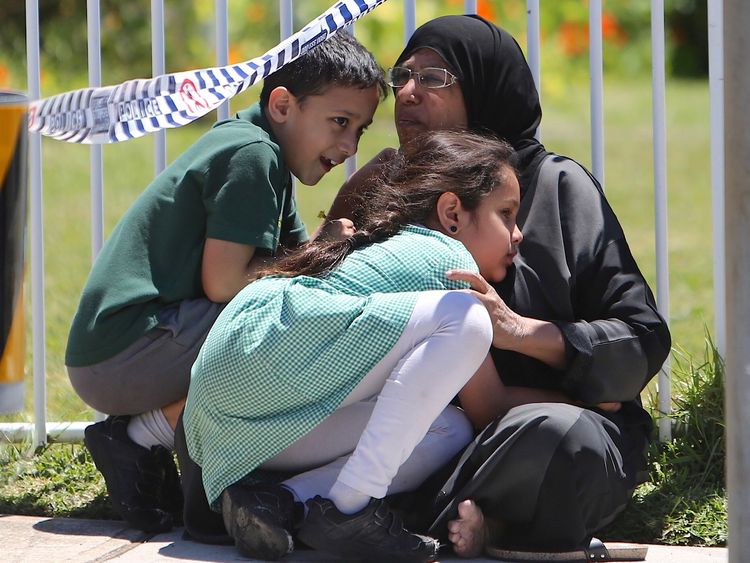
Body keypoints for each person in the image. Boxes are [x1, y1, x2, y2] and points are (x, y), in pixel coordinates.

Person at [324, 14, 672, 558]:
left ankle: (375, 515)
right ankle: (429, 516)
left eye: (435, 79)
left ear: (485, 89)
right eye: (403, 77)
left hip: (522, 436)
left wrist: (518, 332)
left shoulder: (557, 188)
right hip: (408, 432)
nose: (409, 94)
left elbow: (639, 341)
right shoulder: (384, 188)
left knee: (562, 438)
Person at [64, 31, 386, 534]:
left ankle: (152, 441)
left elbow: (292, 264)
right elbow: (226, 283)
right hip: (123, 354)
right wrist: (324, 248)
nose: (347, 147)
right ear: (282, 104)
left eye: (359, 131)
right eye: (339, 123)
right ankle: (142, 440)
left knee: (288, 316)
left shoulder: (265, 153)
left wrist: (325, 241)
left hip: (131, 347)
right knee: (281, 329)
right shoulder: (252, 154)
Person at [182, 129, 523, 562]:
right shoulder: (450, 261)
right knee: (469, 319)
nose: (518, 234)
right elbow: (488, 405)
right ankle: (351, 509)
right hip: (262, 380)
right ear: (452, 213)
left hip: (229, 424)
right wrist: (575, 387)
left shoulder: (388, 244)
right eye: (506, 214)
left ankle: (276, 503)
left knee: (447, 429)